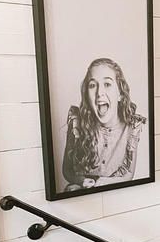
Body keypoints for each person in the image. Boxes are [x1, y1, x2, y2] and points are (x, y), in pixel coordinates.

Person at [62, 58, 146, 192]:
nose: (99, 92)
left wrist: (104, 183)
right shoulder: (77, 123)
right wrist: (81, 181)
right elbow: (66, 170)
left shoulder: (132, 127)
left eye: (107, 84)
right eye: (92, 85)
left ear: (120, 94)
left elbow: (128, 174)